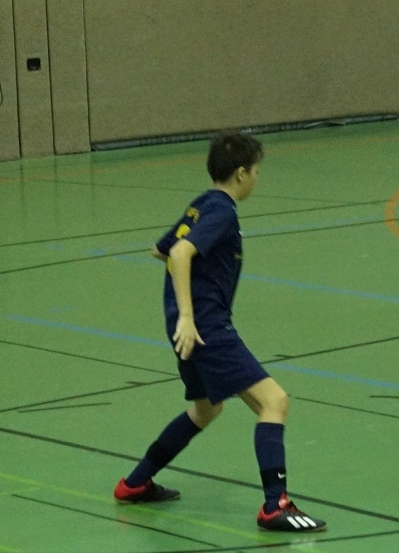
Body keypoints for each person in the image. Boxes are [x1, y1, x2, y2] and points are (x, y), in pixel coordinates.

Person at [112, 131, 325, 533]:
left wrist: (187, 302)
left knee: (207, 408)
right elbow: (179, 252)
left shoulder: (202, 204)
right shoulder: (223, 211)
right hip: (206, 327)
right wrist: (189, 315)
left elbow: (161, 248)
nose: (257, 179)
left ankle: (135, 483)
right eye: (256, 171)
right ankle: (275, 505)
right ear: (241, 173)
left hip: (187, 328)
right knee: (274, 402)